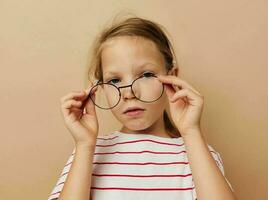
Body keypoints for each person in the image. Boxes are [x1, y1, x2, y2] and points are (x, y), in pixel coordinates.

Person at [48, 15, 236, 200]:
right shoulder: (90, 152)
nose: (129, 93)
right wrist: (84, 145)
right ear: (102, 87)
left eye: (146, 75)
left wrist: (191, 131)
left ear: (172, 78)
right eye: (114, 80)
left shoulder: (198, 153)